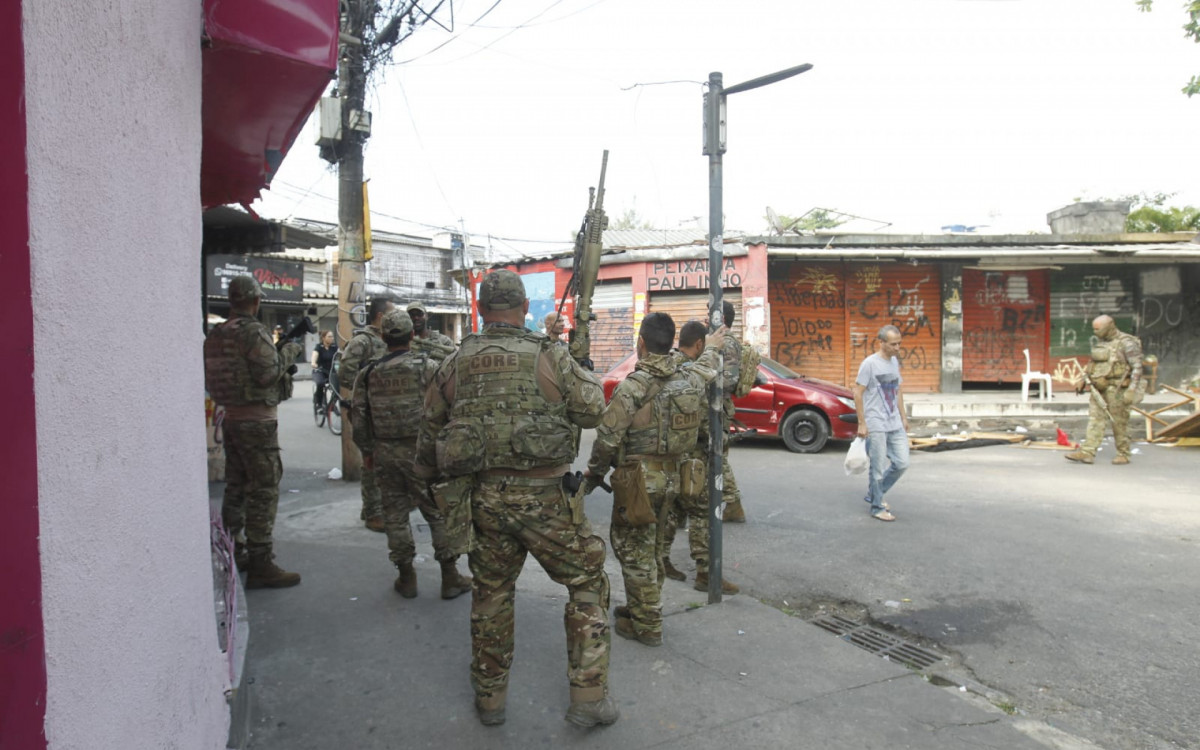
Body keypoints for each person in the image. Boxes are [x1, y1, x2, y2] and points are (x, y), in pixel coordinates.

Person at [415, 269, 617, 729]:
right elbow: (593, 411)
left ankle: (490, 701)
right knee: (587, 582)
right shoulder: (549, 355)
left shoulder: (454, 362)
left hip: (483, 502)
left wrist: (434, 495)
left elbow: (427, 442)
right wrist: (576, 361)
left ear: (482, 311)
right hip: (547, 501)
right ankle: (587, 698)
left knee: (491, 593)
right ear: (526, 308)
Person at [586, 313, 725, 647]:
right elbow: (705, 366)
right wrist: (714, 346)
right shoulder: (689, 379)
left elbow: (607, 439)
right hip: (677, 481)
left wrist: (593, 475)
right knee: (654, 548)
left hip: (639, 485)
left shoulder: (633, 387)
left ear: (642, 344)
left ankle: (647, 625)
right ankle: (642, 607)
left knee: (635, 554)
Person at [350, 309, 472, 599]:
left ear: (383, 337)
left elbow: (358, 417)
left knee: (394, 515)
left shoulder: (368, 374)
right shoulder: (430, 367)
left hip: (385, 453)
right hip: (423, 453)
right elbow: (452, 406)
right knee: (436, 512)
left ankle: (406, 578)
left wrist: (367, 451)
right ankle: (449, 577)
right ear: (411, 336)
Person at [204, 275, 302, 588]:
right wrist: (288, 352)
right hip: (257, 423)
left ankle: (237, 550)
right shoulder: (253, 332)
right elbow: (268, 374)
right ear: (256, 301)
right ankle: (261, 562)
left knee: (237, 485)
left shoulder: (216, 333)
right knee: (263, 489)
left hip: (231, 419)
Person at [661, 320, 739, 594]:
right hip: (691, 452)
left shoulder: (668, 362)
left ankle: (662, 560)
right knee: (702, 510)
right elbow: (699, 409)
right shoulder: (687, 369)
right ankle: (706, 572)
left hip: (675, 452)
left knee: (677, 509)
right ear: (699, 345)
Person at [340, 296, 395, 532]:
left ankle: (372, 507)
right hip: (368, 412)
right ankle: (373, 513)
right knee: (371, 462)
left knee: (384, 462)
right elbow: (345, 372)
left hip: (387, 413)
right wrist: (364, 394)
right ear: (381, 317)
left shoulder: (388, 340)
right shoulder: (363, 341)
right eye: (392, 314)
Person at [1066, 314, 1144, 465]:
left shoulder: (1127, 343)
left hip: (1118, 389)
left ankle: (1123, 453)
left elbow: (1138, 367)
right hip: (1099, 387)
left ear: (1109, 327)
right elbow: (1093, 363)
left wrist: (1131, 390)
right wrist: (1083, 380)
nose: (1095, 332)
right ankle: (1087, 452)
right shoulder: (1102, 343)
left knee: (1119, 422)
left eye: (1098, 329)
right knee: (1095, 420)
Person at [852, 324, 910, 522]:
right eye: (893, 344)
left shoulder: (894, 361)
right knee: (877, 467)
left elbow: (898, 390)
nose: (897, 348)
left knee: (902, 463)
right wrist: (862, 422)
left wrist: (903, 416)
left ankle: (875, 493)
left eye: (899, 344)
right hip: (875, 422)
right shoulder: (869, 364)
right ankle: (877, 507)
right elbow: (857, 392)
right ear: (881, 342)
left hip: (894, 422)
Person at [719, 300, 747, 523]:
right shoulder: (722, 341)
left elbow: (729, 379)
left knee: (716, 456)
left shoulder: (726, 343)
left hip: (718, 408)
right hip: (717, 407)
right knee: (716, 455)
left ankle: (733, 503)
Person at [310, 329, 337, 413]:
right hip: (319, 371)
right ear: (323, 338)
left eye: (332, 336)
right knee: (320, 383)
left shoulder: (334, 347)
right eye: (329, 336)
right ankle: (318, 403)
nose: (331, 338)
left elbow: (341, 355)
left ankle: (332, 405)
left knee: (338, 387)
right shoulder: (319, 347)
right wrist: (313, 362)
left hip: (330, 371)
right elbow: (315, 355)